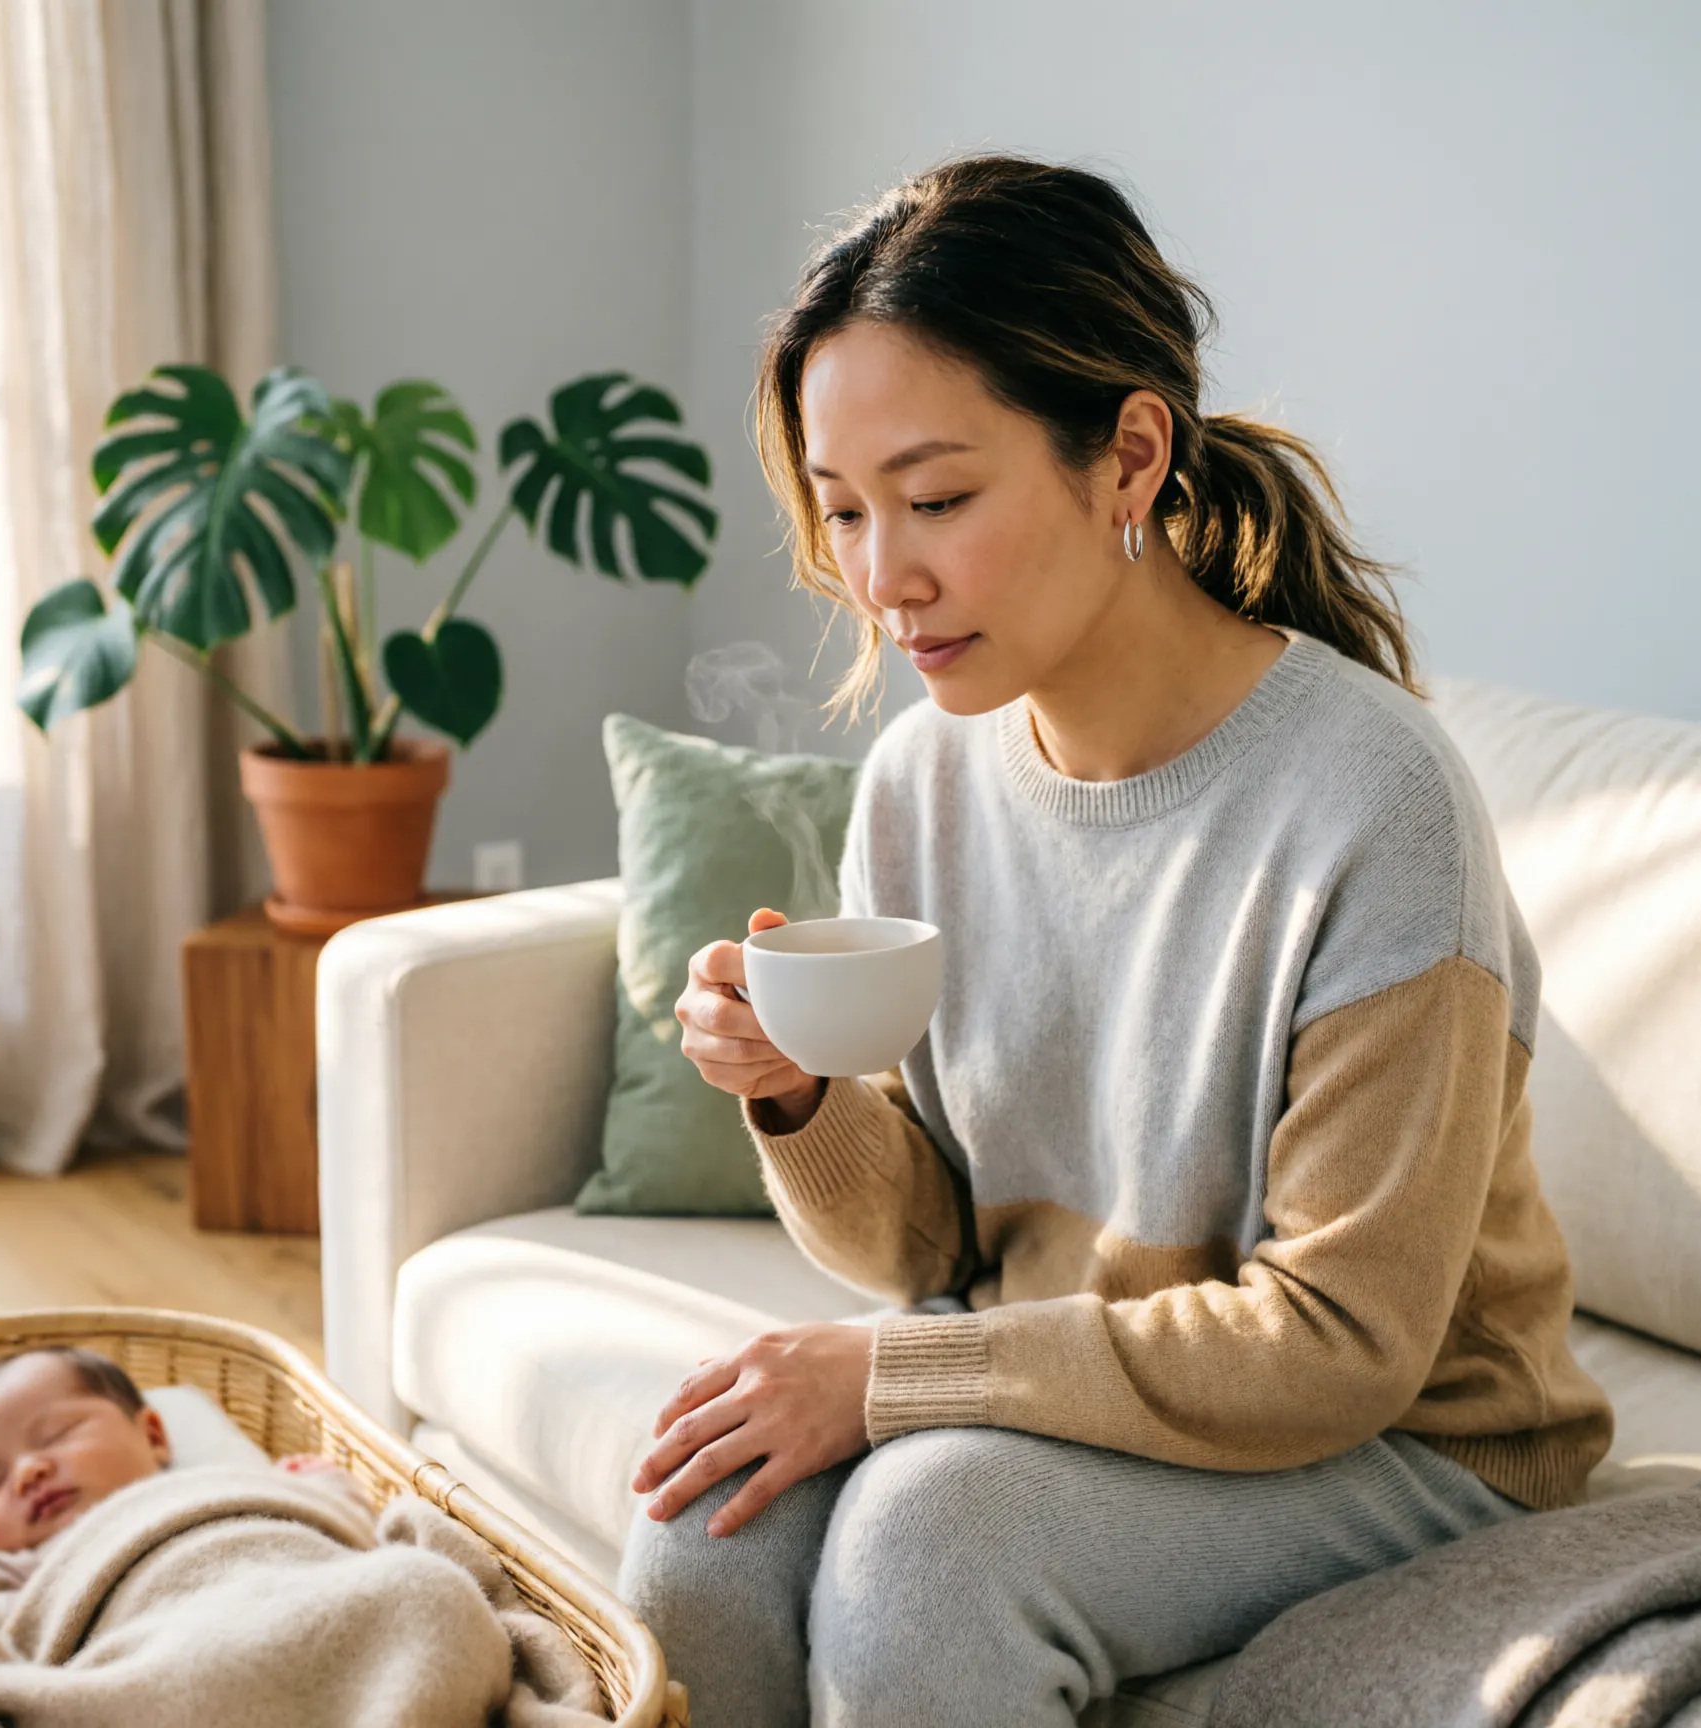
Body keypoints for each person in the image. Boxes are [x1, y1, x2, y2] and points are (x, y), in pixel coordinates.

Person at [616, 153, 1615, 1727]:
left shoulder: (1373, 801)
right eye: (846, 511)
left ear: (1129, 454)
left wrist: (892, 1380)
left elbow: (1342, 1344)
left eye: (939, 499)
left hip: (1410, 1444)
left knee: (931, 1552)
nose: (886, 579)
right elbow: (942, 1251)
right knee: (702, 1532)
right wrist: (797, 1099)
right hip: (1076, 1373)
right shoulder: (926, 777)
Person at [0, 1346, 356, 1624]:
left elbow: (333, 1534)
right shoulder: (30, 1570)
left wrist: (321, 1489)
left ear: (152, 1436)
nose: (26, 1474)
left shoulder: (222, 1488)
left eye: (56, 1436)